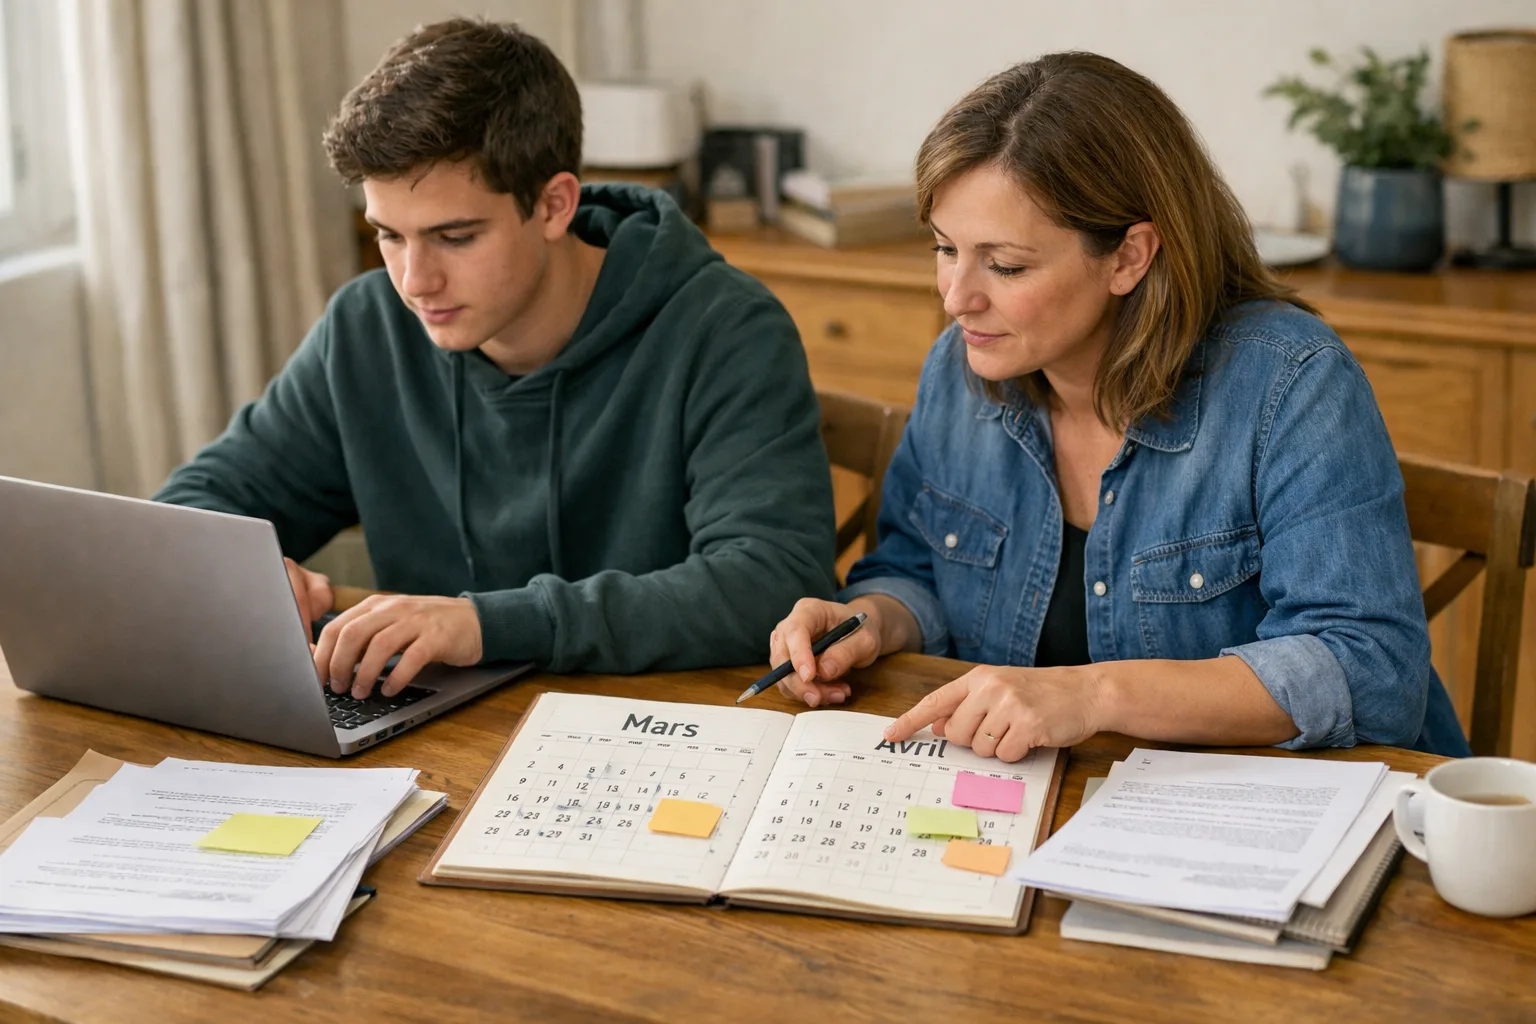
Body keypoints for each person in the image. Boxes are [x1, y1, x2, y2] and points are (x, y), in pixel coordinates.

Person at [769, 52, 1470, 760]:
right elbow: (917, 568)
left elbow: (1371, 670)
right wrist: (870, 620)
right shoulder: (960, 368)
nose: (956, 297)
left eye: (1005, 265)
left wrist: (1093, 694)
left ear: (1130, 256)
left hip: (1265, 827)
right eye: (946, 249)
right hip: (1056, 808)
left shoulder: (1291, 382)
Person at [155, 18, 836, 697]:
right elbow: (191, 506)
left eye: (454, 237)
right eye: (389, 235)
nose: (414, 281)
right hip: (433, 745)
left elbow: (772, 578)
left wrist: (489, 623)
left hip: (655, 736)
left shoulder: (724, 328)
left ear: (553, 205)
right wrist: (240, 570)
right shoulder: (367, 327)